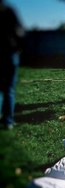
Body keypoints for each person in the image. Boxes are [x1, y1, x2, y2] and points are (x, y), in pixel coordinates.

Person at [0, 0, 25, 130]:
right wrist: (19, 48)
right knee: (9, 89)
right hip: (10, 53)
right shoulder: (8, 10)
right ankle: (8, 121)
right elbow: (19, 31)